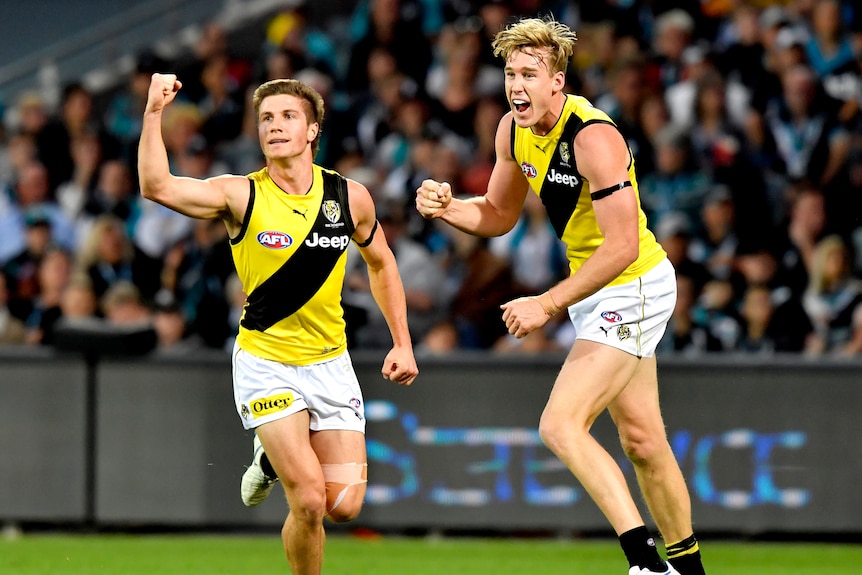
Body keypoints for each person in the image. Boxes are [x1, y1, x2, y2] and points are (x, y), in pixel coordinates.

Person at [415, 17, 705, 575]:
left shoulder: (594, 137)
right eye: (509, 73)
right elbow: (499, 215)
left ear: (558, 82)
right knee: (642, 441)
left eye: (530, 73)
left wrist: (544, 304)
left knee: (560, 424)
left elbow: (621, 246)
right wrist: (449, 207)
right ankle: (688, 571)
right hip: (596, 289)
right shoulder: (511, 131)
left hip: (635, 282)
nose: (516, 86)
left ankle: (646, 563)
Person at [138, 73, 418, 574]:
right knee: (309, 500)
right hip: (267, 363)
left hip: (330, 362)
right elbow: (157, 186)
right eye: (266, 118)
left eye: (288, 116)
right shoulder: (240, 195)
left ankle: (267, 459)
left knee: (344, 506)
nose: (275, 125)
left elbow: (382, 264)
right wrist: (155, 110)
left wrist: (402, 342)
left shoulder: (350, 197)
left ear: (312, 130)